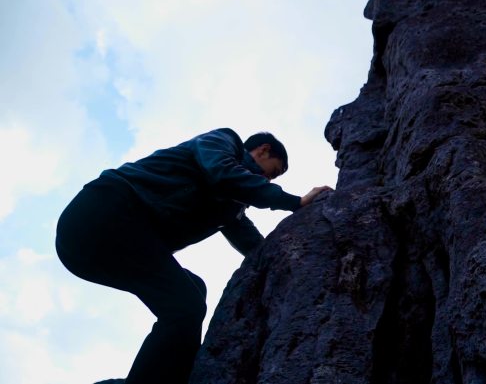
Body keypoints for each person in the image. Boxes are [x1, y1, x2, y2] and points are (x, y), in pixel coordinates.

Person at [55, 128, 331, 383]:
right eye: (273, 172)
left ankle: (162, 378)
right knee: (185, 306)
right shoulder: (224, 143)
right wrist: (294, 202)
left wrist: (285, 262)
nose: (268, 179)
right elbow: (223, 173)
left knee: (192, 291)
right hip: (104, 210)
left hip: (92, 248)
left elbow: (250, 242)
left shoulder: (230, 205)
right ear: (263, 150)